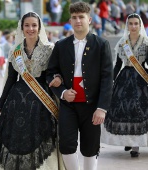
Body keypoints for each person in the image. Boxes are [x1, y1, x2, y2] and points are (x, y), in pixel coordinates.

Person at [0, 12, 65, 170]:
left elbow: (54, 73)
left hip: (42, 102)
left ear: (39, 28)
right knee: (17, 140)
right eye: (27, 25)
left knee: (42, 138)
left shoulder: (49, 49)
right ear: (21, 28)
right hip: (16, 102)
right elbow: (11, 80)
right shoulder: (15, 51)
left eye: (34, 25)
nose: (30, 28)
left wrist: (58, 78)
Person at [46, 2, 113, 170]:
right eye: (74, 17)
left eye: (81, 17)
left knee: (90, 147)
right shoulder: (61, 45)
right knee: (67, 145)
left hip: (92, 105)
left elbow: (107, 78)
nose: (78, 21)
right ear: (70, 20)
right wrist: (62, 92)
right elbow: (50, 73)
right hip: (68, 105)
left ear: (89, 19)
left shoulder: (101, 45)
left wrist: (102, 108)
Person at [101, 13, 148, 158]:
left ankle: (136, 145)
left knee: (139, 111)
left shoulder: (146, 43)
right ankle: (128, 139)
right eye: (131, 23)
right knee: (123, 111)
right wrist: (111, 80)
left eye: (136, 23)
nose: (133, 26)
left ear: (140, 25)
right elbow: (118, 65)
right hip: (125, 78)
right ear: (127, 25)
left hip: (141, 79)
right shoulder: (122, 43)